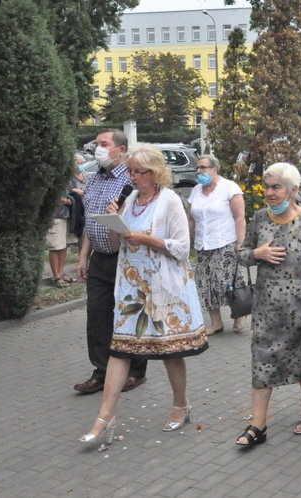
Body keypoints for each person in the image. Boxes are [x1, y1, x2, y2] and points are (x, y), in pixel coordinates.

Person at [79, 143, 208, 445]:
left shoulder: (170, 201)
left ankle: (180, 405)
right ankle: (104, 418)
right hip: (131, 290)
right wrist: (115, 220)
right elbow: (115, 244)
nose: (133, 177)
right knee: (119, 350)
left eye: (139, 172)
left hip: (163, 289)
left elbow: (181, 247)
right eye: (131, 172)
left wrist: (144, 238)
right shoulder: (130, 198)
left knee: (169, 352)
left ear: (156, 172)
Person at [235, 162, 301, 448]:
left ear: (293, 190)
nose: (269, 192)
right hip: (267, 308)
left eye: (276, 187)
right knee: (262, 363)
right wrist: (258, 253)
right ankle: (258, 425)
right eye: (266, 187)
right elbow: (241, 255)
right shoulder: (258, 219)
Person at [75, 129, 148, 395]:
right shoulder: (94, 180)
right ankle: (101, 371)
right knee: (96, 315)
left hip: (125, 258)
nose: (98, 149)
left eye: (104, 144)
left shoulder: (130, 181)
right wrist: (84, 256)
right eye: (97, 144)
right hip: (99, 259)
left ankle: (137, 370)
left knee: (129, 313)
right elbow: (90, 222)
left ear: (121, 149)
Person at [187, 155, 247, 335]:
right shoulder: (196, 190)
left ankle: (240, 313)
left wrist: (240, 242)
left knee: (224, 281)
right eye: (197, 168)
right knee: (205, 284)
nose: (199, 172)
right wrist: (185, 240)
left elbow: (239, 217)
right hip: (203, 244)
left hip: (225, 242)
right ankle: (216, 322)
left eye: (203, 168)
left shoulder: (229, 188)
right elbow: (190, 219)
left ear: (214, 169)